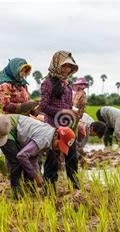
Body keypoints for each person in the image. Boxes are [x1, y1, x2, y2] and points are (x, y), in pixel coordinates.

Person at [2, 114, 76, 198]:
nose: (58, 149)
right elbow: (22, 156)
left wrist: (37, 173)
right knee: (15, 163)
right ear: (56, 136)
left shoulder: (49, 138)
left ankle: (25, 193)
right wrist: (35, 175)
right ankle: (16, 196)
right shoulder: (45, 139)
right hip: (7, 126)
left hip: (16, 129)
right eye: (59, 145)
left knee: (26, 165)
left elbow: (33, 157)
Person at [40, 50, 80, 190]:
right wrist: (62, 111)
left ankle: (75, 188)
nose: (67, 69)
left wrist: (72, 112)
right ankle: (49, 190)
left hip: (68, 128)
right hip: (53, 128)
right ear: (56, 65)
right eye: (64, 66)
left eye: (69, 67)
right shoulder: (47, 83)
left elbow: (68, 106)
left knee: (72, 159)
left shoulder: (68, 86)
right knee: (52, 161)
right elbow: (43, 106)